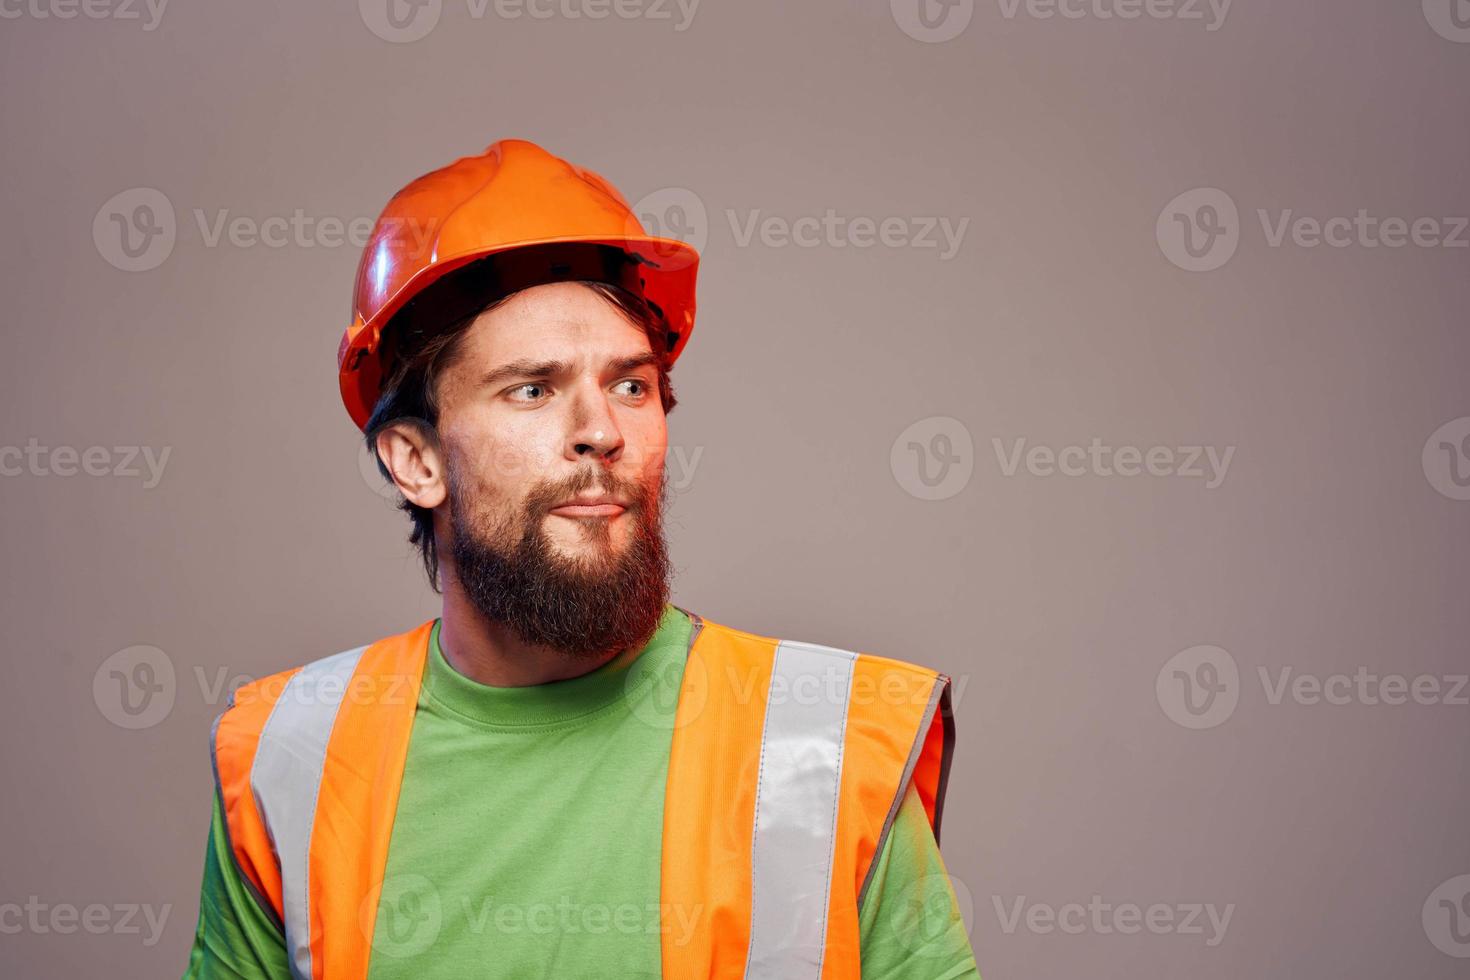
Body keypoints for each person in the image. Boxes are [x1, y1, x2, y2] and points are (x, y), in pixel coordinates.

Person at [180, 139, 980, 980]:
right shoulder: (288, 756)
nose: (603, 431)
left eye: (632, 386)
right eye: (532, 389)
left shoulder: (826, 743)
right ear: (415, 461)